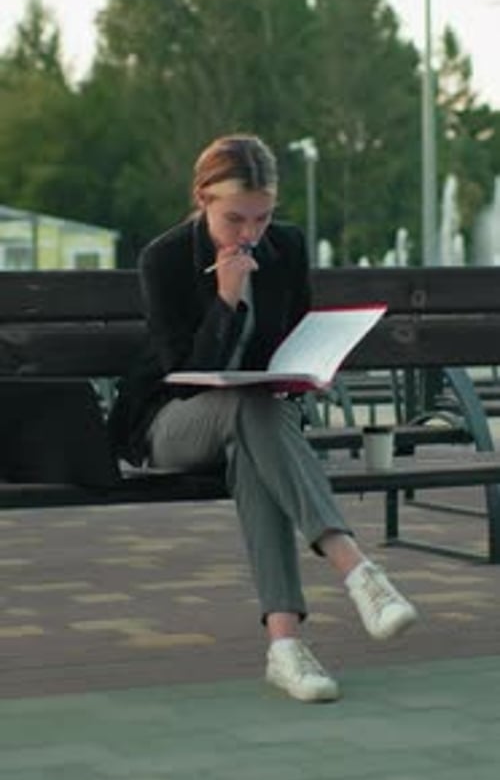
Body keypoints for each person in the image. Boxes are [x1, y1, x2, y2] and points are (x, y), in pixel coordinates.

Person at [109, 133, 417, 703]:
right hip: (169, 422)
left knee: (258, 436)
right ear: (202, 198)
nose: (251, 233)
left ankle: (286, 647)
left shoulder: (288, 247)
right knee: (252, 409)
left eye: (263, 216)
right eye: (235, 219)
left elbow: (292, 345)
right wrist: (225, 300)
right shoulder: (167, 258)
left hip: (259, 416)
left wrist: (312, 366)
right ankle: (355, 568)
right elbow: (185, 370)